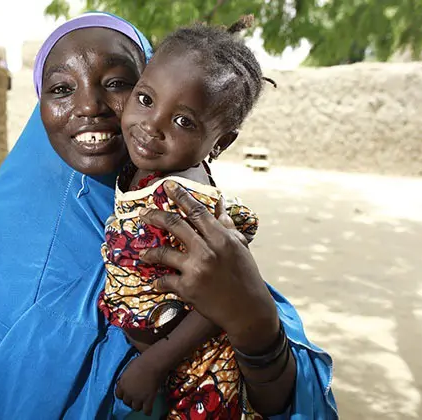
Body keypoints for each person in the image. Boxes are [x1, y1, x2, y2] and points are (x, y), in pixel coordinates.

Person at [0, 12, 337, 420]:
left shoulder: (189, 214)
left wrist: (255, 320)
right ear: (39, 103)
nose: (90, 106)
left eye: (117, 83)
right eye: (61, 88)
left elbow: (283, 397)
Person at [99, 15, 286, 419]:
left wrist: (155, 362)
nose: (152, 125)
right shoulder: (143, 171)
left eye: (184, 121)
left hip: (202, 372)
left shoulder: (187, 202)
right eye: (145, 99)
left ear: (221, 141)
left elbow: (219, 299)